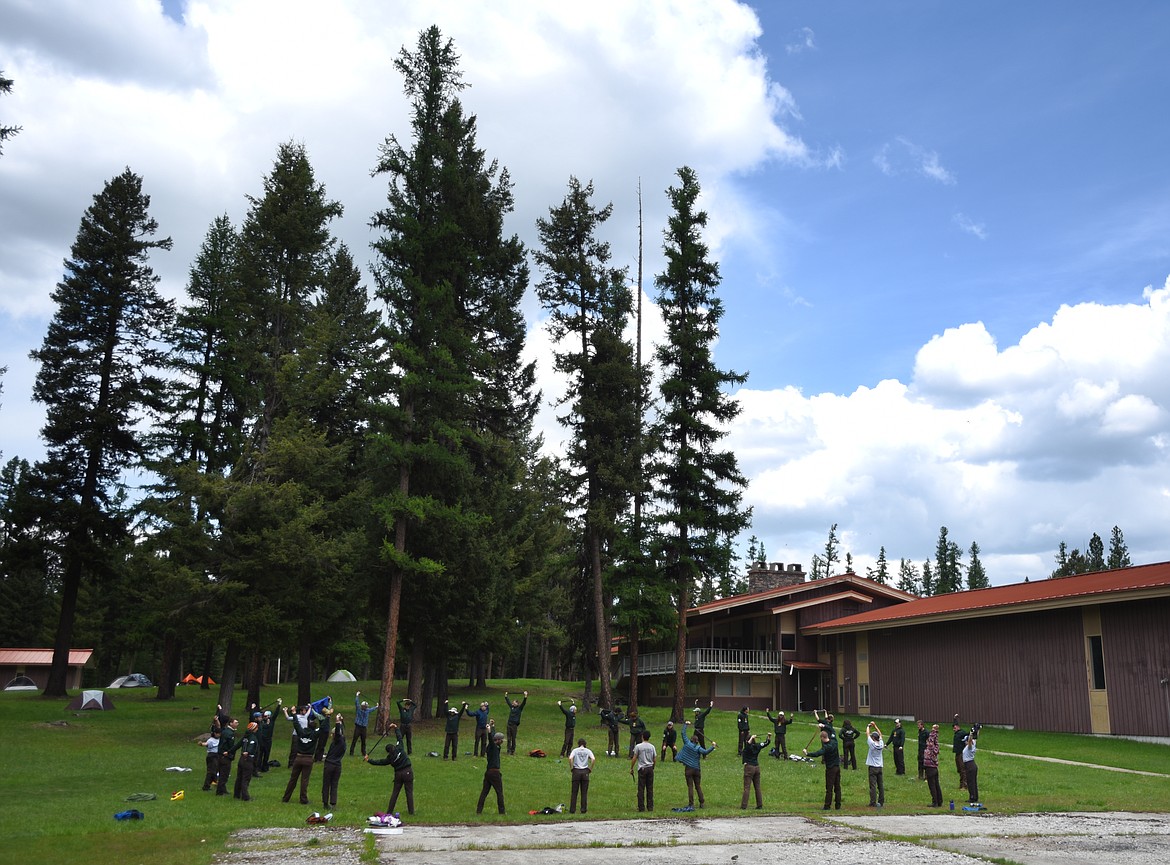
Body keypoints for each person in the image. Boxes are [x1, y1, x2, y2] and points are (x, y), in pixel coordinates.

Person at [366, 723, 414, 815]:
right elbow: (399, 737)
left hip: (398, 775)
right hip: (407, 771)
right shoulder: (399, 748)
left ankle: (389, 811)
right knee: (409, 792)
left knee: (395, 793)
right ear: (393, 746)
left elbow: (379, 762)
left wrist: (369, 760)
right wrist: (395, 728)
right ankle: (411, 812)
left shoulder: (389, 759)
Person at [282, 706, 323, 804]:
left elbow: (296, 724)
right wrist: (327, 717)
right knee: (304, 780)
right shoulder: (314, 735)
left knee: (293, 779)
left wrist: (294, 713)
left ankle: (286, 798)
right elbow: (324, 728)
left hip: (298, 758)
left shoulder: (300, 733)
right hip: (308, 759)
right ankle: (303, 799)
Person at [678, 722, 715, 808]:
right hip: (697, 769)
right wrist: (712, 746)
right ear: (697, 742)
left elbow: (683, 733)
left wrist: (686, 725)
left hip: (688, 769)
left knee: (690, 786)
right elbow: (705, 752)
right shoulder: (698, 748)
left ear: (691, 740)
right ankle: (702, 803)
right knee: (698, 786)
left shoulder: (687, 743)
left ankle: (691, 804)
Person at [805, 729, 842, 810]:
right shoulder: (834, 742)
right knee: (837, 787)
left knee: (829, 788)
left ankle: (827, 806)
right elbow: (832, 730)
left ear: (822, 737)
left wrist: (807, 753)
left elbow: (818, 753)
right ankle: (838, 805)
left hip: (830, 769)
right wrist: (824, 725)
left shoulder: (826, 747)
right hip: (837, 767)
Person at [476, 729, 506, 814]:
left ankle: (479, 811)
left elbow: (492, 739)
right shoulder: (493, 746)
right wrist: (489, 732)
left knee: (484, 792)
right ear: (497, 740)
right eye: (501, 740)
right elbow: (491, 739)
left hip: (488, 772)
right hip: (495, 773)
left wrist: (492, 726)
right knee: (499, 793)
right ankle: (502, 812)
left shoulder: (493, 748)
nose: (502, 741)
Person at [231, 720, 260, 801]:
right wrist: (248, 752)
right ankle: (245, 797)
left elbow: (237, 745)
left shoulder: (245, 737)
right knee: (246, 779)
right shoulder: (253, 738)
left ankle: (236, 794)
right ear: (254, 729)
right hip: (248, 760)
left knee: (239, 778)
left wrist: (229, 752)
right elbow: (251, 748)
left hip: (241, 760)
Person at [740, 733, 770, 809]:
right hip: (757, 767)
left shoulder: (747, 748)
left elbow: (747, 745)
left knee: (747, 788)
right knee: (757, 787)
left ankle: (744, 806)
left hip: (749, 767)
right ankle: (759, 805)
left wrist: (751, 738)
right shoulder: (757, 746)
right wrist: (768, 737)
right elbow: (766, 743)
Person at [321, 714, 345, 810]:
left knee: (326, 784)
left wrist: (337, 721)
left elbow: (338, 733)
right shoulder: (343, 743)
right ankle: (333, 802)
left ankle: (325, 802)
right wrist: (341, 722)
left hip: (330, 765)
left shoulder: (336, 741)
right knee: (334, 784)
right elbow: (341, 732)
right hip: (338, 765)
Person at [630, 730, 657, 812]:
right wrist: (653, 767)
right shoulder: (652, 747)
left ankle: (641, 807)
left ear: (642, 737)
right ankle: (650, 807)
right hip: (650, 768)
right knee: (650, 788)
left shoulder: (638, 746)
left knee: (641, 789)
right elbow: (654, 759)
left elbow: (634, 757)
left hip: (642, 769)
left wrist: (631, 768)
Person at [568, 737, 596, 813]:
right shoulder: (588, 751)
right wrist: (590, 768)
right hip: (585, 772)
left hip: (576, 771)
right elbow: (593, 759)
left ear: (578, 744)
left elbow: (570, 758)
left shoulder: (575, 750)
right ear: (585, 744)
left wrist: (571, 767)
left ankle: (572, 810)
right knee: (584, 792)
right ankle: (583, 809)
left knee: (574, 792)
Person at [215, 717, 238, 797]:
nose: (237, 724)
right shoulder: (230, 733)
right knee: (224, 775)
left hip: (220, 755)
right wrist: (230, 754)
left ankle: (223, 789)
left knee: (222, 773)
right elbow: (230, 746)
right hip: (225, 756)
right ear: (231, 723)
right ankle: (219, 791)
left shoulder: (225, 731)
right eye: (235, 722)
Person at [351, 691, 379, 757]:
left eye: (365, 706)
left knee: (363, 741)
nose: (365, 707)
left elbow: (372, 709)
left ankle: (363, 752)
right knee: (354, 740)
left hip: (364, 728)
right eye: (364, 706)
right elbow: (356, 703)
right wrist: (357, 695)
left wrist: (377, 706)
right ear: (362, 706)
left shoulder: (367, 710)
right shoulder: (359, 709)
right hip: (358, 727)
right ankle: (351, 752)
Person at [864, 721, 885, 807]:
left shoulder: (872, 744)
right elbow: (881, 735)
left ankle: (873, 802)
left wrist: (868, 726)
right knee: (880, 785)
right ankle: (881, 801)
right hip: (879, 766)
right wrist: (875, 726)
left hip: (872, 767)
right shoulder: (881, 744)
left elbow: (867, 734)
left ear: (873, 738)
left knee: (873, 786)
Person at [923, 723, 943, 807]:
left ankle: (934, 802)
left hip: (930, 766)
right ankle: (939, 801)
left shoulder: (931, 745)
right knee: (937, 784)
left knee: (932, 785)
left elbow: (931, 739)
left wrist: (933, 731)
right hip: (935, 766)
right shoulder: (936, 745)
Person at [502, 690, 527, 755]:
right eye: (513, 703)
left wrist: (525, 696)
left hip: (514, 725)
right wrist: (506, 696)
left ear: (517, 704)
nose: (513, 703)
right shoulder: (512, 708)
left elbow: (524, 703)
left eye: (514, 703)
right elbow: (508, 702)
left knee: (513, 738)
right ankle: (508, 750)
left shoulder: (519, 709)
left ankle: (512, 750)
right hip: (509, 724)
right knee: (508, 738)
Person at [963, 724, 981, 808]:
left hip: (969, 764)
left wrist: (970, 734)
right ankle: (975, 796)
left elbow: (970, 741)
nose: (965, 742)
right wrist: (977, 730)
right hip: (971, 765)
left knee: (971, 782)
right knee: (973, 781)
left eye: (965, 741)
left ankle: (972, 797)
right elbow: (975, 737)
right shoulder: (973, 744)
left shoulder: (970, 747)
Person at [952, 717, 969, 790]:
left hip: (961, 754)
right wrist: (955, 718)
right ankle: (961, 783)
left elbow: (968, 735)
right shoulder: (957, 733)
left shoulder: (961, 733)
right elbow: (955, 723)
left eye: (955, 727)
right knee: (959, 769)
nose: (954, 729)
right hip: (957, 753)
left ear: (958, 727)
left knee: (963, 769)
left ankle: (964, 785)